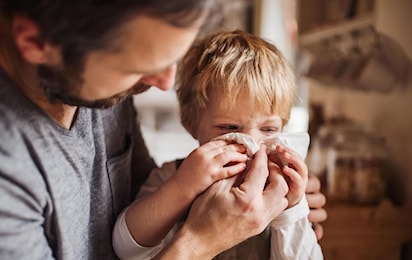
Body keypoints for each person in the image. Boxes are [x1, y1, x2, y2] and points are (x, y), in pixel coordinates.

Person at [0, 1, 326, 259]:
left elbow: (137, 197)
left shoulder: (101, 89)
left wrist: (290, 211)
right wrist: (200, 241)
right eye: (137, 66)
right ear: (36, 43)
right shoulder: (10, 176)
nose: (165, 83)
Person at [113, 29, 324, 260]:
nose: (252, 144)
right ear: (192, 124)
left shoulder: (279, 186)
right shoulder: (173, 176)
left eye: (269, 130)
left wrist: (291, 211)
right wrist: (183, 186)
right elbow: (126, 249)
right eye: (230, 128)